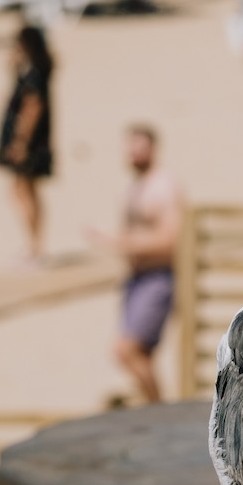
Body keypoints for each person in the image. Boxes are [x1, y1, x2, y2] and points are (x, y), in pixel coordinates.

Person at [85, 125, 185, 404]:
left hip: (158, 277)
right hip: (137, 279)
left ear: (153, 149)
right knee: (142, 355)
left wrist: (119, 243)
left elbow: (171, 240)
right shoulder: (135, 187)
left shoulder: (163, 186)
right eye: (131, 147)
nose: (134, 153)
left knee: (125, 350)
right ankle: (151, 410)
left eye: (140, 147)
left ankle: (158, 410)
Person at [0, 25, 54, 265]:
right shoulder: (37, 68)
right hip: (33, 139)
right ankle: (33, 246)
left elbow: (32, 108)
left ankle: (34, 247)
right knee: (24, 191)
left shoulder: (35, 73)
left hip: (30, 142)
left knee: (24, 191)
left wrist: (21, 141)